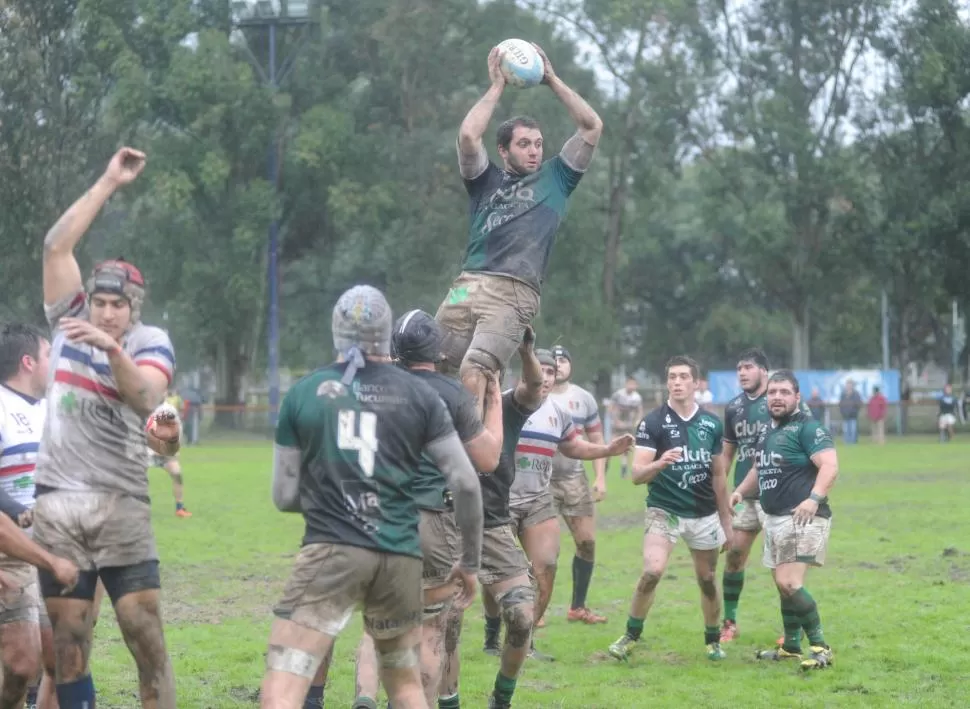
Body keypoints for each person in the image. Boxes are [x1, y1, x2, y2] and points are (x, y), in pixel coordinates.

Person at [259, 286, 484, 709]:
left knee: (284, 681)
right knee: (405, 685)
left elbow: (285, 496)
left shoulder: (306, 392)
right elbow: (467, 483)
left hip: (332, 549)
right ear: (386, 336)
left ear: (335, 332)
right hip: (400, 556)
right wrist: (469, 563)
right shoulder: (423, 396)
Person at [35, 146, 183, 709]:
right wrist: (107, 182)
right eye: (98, 303)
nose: (104, 313)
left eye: (116, 305)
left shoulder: (150, 342)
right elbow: (55, 245)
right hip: (59, 504)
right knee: (68, 643)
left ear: (134, 307)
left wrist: (113, 352)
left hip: (121, 503)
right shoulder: (67, 321)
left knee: (143, 630)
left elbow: (147, 396)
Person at [435, 42, 603, 418]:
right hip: (467, 283)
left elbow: (592, 126)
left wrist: (552, 79)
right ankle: (425, 457)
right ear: (504, 149)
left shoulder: (558, 178)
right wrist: (497, 86)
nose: (534, 151)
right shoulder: (484, 179)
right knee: (429, 368)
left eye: (539, 144)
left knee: (474, 370)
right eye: (524, 144)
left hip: (514, 291)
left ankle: (472, 459)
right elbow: (467, 137)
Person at [348, 309, 504, 709]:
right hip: (431, 521)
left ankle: (365, 698)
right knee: (432, 629)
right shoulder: (450, 394)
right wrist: (495, 401)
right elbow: (487, 460)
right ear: (438, 349)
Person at [500, 349, 632, 658]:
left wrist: (607, 450)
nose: (545, 376)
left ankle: (524, 642)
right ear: (525, 372)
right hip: (501, 499)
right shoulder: (503, 403)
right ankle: (494, 635)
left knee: (546, 565)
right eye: (539, 370)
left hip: (537, 499)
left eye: (549, 371)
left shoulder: (558, 412)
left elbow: (572, 446)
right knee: (505, 577)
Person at [608, 355, 732, 663]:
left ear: (695, 383)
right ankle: (630, 635)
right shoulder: (652, 422)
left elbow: (719, 476)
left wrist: (726, 523)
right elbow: (636, 475)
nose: (677, 382)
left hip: (703, 513)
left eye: (683, 377)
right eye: (672, 377)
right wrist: (661, 462)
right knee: (652, 572)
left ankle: (712, 640)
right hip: (664, 510)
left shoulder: (710, 424)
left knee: (707, 579)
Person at [730, 370, 838, 670]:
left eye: (784, 392)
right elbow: (758, 469)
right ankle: (791, 646)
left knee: (789, 582)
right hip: (774, 518)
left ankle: (821, 647)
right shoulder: (766, 431)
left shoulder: (808, 428)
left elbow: (830, 465)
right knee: (782, 586)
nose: (777, 397)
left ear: (797, 397)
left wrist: (813, 499)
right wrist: (738, 492)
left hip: (804, 516)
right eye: (773, 392)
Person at [0, 323, 83, 709]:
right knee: (21, 666)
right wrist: (17, 511)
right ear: (29, 361)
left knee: (59, 660)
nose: (55, 363)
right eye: (49, 354)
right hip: (9, 550)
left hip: (52, 547)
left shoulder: (53, 407)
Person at [718, 348, 813, 644]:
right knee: (734, 555)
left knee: (780, 568)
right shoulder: (733, 407)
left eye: (748, 367)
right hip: (745, 494)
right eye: (738, 368)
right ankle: (729, 622)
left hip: (781, 495)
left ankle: (791, 631)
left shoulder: (784, 403)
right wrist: (721, 490)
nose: (742, 373)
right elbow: (727, 453)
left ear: (763, 370)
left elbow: (807, 442)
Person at [546, 345, 609, 626]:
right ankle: (536, 611)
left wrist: (600, 477)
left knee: (587, 543)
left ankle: (578, 607)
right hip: (541, 480)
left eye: (563, 360)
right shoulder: (535, 394)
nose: (558, 365)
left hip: (574, 479)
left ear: (571, 365)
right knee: (545, 550)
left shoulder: (584, 398)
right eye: (553, 361)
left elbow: (597, 440)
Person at [147, 391, 191, 518]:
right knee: (137, 479)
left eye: (163, 391)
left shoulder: (170, 409)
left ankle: (179, 508)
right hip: (146, 450)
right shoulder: (144, 408)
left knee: (177, 473)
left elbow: (177, 429)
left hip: (165, 451)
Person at [607, 377, 643, 479]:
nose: (631, 386)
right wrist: (616, 421)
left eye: (633, 384)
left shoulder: (637, 397)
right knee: (611, 446)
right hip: (617, 426)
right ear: (626, 384)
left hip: (628, 426)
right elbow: (610, 408)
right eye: (630, 384)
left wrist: (637, 420)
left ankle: (623, 473)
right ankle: (605, 467)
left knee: (626, 449)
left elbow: (639, 411)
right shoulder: (618, 395)